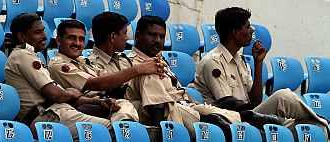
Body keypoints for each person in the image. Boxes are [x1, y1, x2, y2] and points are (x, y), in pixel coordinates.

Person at [127, 15, 281, 141]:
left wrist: (258, 63)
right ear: (138, 35)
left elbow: (255, 101)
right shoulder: (132, 63)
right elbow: (153, 104)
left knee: (244, 117)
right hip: (166, 111)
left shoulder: (160, 61)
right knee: (221, 125)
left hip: (186, 106)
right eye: (152, 35)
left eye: (161, 36)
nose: (158, 40)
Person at [190, 7, 328, 133]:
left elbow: (256, 100)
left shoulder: (240, 60)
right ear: (235, 32)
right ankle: (324, 121)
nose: (252, 30)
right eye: (247, 26)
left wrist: (258, 63)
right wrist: (265, 115)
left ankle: (322, 124)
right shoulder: (213, 62)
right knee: (283, 96)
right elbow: (228, 104)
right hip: (233, 120)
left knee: (309, 126)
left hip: (251, 117)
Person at [5, 13, 115, 138]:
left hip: (56, 112)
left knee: (116, 119)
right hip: (45, 117)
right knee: (109, 129)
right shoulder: (22, 55)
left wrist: (98, 101)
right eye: (38, 32)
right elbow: (56, 94)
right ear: (22, 36)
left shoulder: (31, 55)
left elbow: (65, 96)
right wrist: (70, 93)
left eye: (43, 31)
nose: (44, 36)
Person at [47, 19, 165, 122]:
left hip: (105, 102)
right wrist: (138, 69)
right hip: (84, 107)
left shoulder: (83, 61)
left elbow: (106, 78)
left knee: (155, 97)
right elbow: (96, 83)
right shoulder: (58, 64)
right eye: (72, 38)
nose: (77, 43)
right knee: (124, 105)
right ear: (58, 40)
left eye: (81, 39)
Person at [86, 12, 135, 99]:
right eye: (124, 33)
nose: (127, 38)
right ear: (112, 36)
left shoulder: (124, 60)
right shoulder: (90, 66)